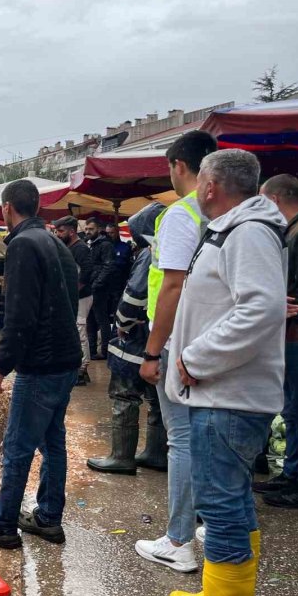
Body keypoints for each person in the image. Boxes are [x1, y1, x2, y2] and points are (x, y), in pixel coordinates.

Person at [157, 149, 287, 596]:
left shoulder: (247, 231)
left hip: (225, 394)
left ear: (210, 186)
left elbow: (260, 309)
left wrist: (195, 357)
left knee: (220, 504)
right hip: (220, 392)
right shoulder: (238, 228)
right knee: (230, 500)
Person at [0, 180, 81, 549]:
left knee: (19, 444)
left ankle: (4, 523)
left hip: (40, 365)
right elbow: (68, 301)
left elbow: (19, 315)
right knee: (52, 441)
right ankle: (48, 517)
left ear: (7, 208)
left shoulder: (22, 245)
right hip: (67, 360)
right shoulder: (57, 243)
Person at [135, 130, 217, 573]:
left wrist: (152, 351)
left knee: (182, 439)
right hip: (212, 341)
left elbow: (171, 284)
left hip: (178, 342)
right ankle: (210, 520)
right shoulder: (228, 214)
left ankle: (179, 539)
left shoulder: (181, 216)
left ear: (179, 166)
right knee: (207, 435)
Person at [87, 203, 167, 475]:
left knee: (124, 395)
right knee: (156, 400)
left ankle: (121, 456)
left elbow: (134, 295)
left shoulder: (148, 255)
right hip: (159, 335)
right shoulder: (171, 251)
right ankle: (156, 452)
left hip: (136, 339)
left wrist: (121, 322)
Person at [255, 173, 298, 508]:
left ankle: (296, 481)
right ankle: (291, 475)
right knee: (292, 407)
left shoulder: (296, 234)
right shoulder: (292, 232)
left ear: (272, 200)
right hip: (290, 332)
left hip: (295, 333)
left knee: (296, 409)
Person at [54, 216, 94, 385]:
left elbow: (86, 273)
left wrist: (72, 291)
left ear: (71, 231)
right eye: (56, 231)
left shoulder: (81, 249)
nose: (57, 234)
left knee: (80, 331)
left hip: (82, 297)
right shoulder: (66, 247)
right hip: (71, 297)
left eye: (61, 231)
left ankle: (82, 369)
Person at [84, 217, 115, 360]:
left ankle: (105, 351)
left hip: (100, 290)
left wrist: (96, 284)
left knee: (101, 320)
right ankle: (91, 350)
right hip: (89, 288)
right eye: (86, 229)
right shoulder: (89, 244)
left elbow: (108, 267)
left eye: (91, 229)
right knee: (90, 320)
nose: (88, 231)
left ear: (99, 229)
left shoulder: (105, 245)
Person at [106, 221, 133, 313]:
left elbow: (125, 264)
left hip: (119, 282)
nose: (109, 235)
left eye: (112, 233)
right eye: (107, 233)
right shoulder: (104, 247)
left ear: (117, 233)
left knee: (116, 307)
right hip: (105, 283)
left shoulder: (125, 247)